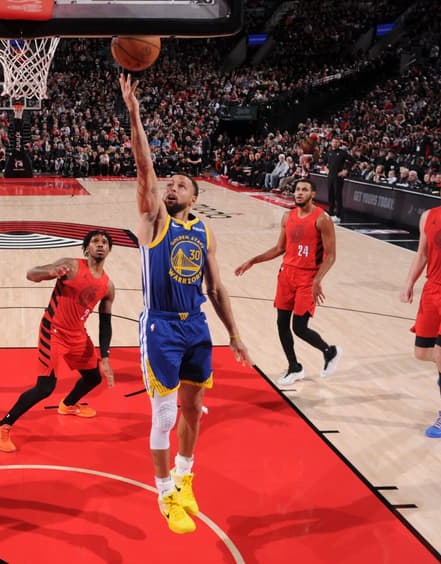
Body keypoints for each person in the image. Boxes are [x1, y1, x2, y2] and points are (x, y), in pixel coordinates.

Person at [119, 74, 252, 535]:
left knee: (193, 410)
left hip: (196, 325)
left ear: (195, 197)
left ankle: (185, 476)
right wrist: (134, 113)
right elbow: (143, 169)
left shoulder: (204, 232)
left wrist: (234, 334)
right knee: (164, 413)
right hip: (159, 328)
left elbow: (216, 288)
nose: (171, 188)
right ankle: (163, 493)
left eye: (180, 185)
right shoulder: (154, 220)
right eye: (168, 183)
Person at [0, 230, 116, 453]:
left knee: (93, 377)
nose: (100, 245)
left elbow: (105, 322)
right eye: (95, 241)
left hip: (77, 334)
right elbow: (31, 274)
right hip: (54, 332)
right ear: (86, 248)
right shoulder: (71, 266)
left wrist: (105, 355)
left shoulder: (108, 286)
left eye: (104, 242)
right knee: (45, 387)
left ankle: (67, 405)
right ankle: (3, 425)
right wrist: (49, 272)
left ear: (109, 250)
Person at [235, 179, 342, 386]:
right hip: (286, 275)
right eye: (297, 190)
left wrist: (318, 280)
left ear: (313, 194)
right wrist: (253, 261)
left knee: (299, 327)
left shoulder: (322, 219)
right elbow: (279, 248)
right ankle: (294, 367)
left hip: (307, 278)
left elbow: (330, 255)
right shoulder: (287, 216)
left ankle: (330, 351)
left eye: (304, 190)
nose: (299, 193)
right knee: (281, 323)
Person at [400, 206, 441, 438]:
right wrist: (409, 283)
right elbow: (422, 254)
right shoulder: (429, 216)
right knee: (423, 353)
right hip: (432, 291)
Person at [325, 137, 353, 223]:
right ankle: (331, 213)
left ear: (339, 144)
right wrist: (326, 168)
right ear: (331, 143)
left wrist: (346, 170)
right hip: (330, 177)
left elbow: (352, 161)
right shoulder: (329, 153)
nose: (335, 143)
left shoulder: (342, 153)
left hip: (338, 177)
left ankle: (338, 215)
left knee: (338, 196)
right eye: (333, 142)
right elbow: (325, 163)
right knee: (330, 195)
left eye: (336, 142)